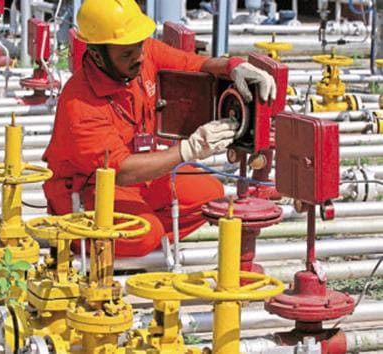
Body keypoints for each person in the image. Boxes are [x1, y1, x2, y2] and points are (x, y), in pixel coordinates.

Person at [42, 0, 277, 257]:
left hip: (141, 175)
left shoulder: (141, 52)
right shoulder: (80, 103)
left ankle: (133, 235)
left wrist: (232, 66)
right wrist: (189, 149)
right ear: (97, 54)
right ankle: (82, 238)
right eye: (127, 54)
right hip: (87, 189)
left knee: (211, 194)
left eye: (139, 47)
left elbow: (191, 64)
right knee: (145, 234)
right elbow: (120, 171)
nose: (140, 57)